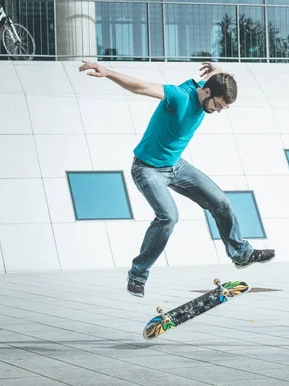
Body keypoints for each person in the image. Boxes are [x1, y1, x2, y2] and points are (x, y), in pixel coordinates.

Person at [78, 60, 275, 298]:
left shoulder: (209, 88)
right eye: (218, 105)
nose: (218, 111)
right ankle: (138, 274)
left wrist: (217, 68)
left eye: (224, 108)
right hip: (147, 169)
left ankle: (241, 254)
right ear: (207, 92)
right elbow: (140, 87)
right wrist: (107, 72)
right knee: (168, 216)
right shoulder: (179, 96)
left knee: (221, 202)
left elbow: (219, 76)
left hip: (176, 166)